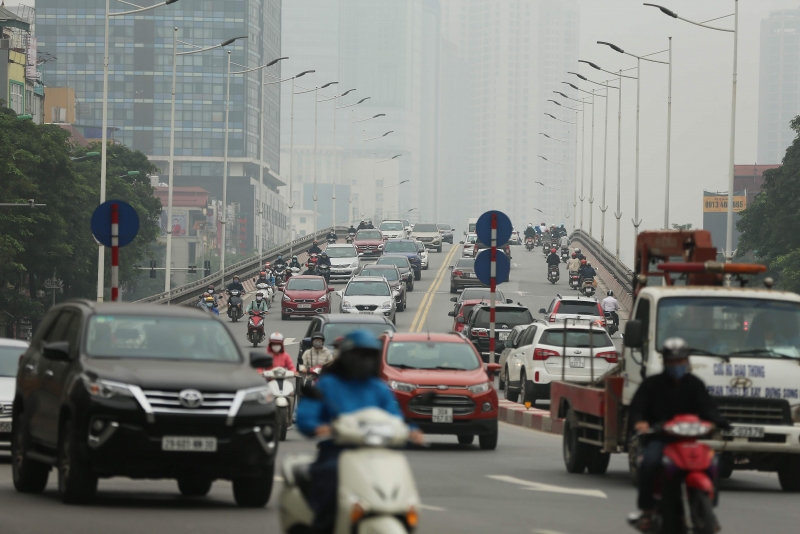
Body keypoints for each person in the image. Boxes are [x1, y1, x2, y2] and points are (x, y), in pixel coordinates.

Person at [296, 331, 424, 533]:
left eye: (370, 356)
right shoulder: (328, 385)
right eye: (360, 355)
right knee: (329, 483)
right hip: (338, 452)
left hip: (378, 454)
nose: (365, 361)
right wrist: (317, 426)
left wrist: (411, 431)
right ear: (347, 357)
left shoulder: (379, 389)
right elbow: (306, 415)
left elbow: (395, 416)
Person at [629, 337, 729, 531]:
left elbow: (708, 408)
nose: (677, 365)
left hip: (690, 441)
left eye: (680, 361)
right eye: (672, 361)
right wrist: (640, 423)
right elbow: (637, 409)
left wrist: (721, 422)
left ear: (687, 361)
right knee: (648, 463)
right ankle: (647, 512)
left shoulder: (695, 384)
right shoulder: (651, 385)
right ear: (665, 362)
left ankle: (709, 511)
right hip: (660, 440)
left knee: (715, 462)